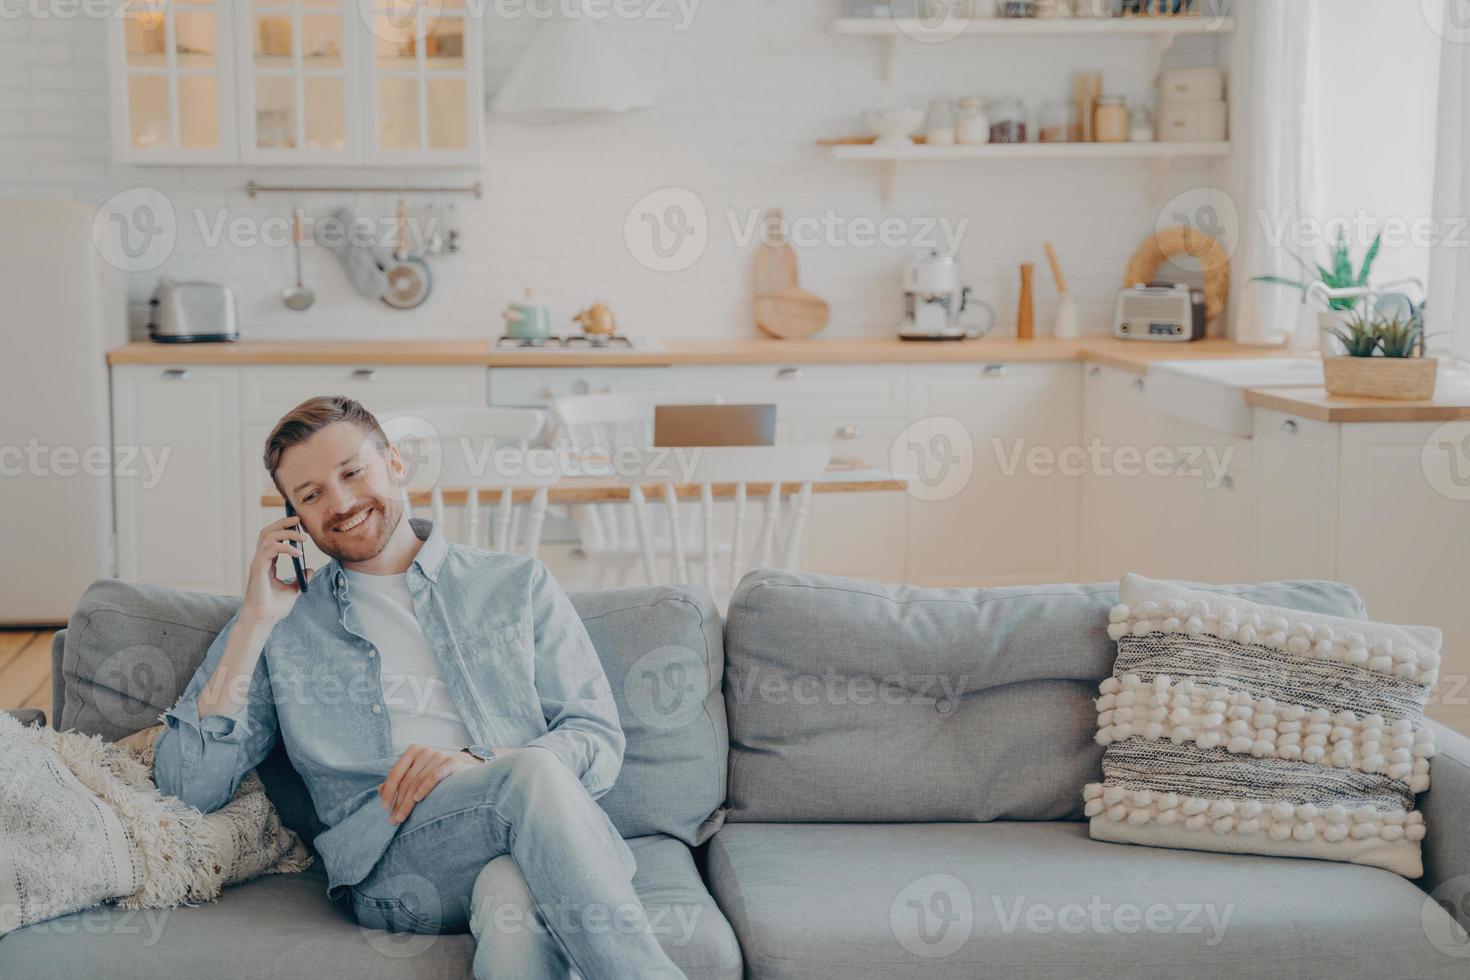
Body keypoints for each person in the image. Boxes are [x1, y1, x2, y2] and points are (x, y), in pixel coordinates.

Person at [153, 394, 685, 980]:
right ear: (293, 519)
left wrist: (480, 762)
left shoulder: (515, 584)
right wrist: (253, 621)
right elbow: (186, 788)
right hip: (397, 868)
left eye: (352, 472)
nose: (342, 502)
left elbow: (596, 740)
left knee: (513, 898)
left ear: (395, 464)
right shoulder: (282, 623)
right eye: (311, 495)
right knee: (529, 775)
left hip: (532, 837)